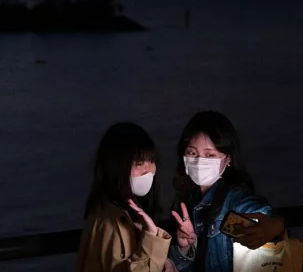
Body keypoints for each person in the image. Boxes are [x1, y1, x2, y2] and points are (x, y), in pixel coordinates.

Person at [168, 111, 286, 272]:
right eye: (192, 153)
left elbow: (262, 213)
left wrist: (274, 225)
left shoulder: (235, 199)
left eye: (210, 155)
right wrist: (184, 249)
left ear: (228, 158)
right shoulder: (189, 201)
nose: (200, 161)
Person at [76, 122, 173, 272]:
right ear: (116, 167)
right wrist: (153, 240)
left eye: (151, 161)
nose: (147, 170)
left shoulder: (111, 209)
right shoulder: (113, 222)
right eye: (139, 163)